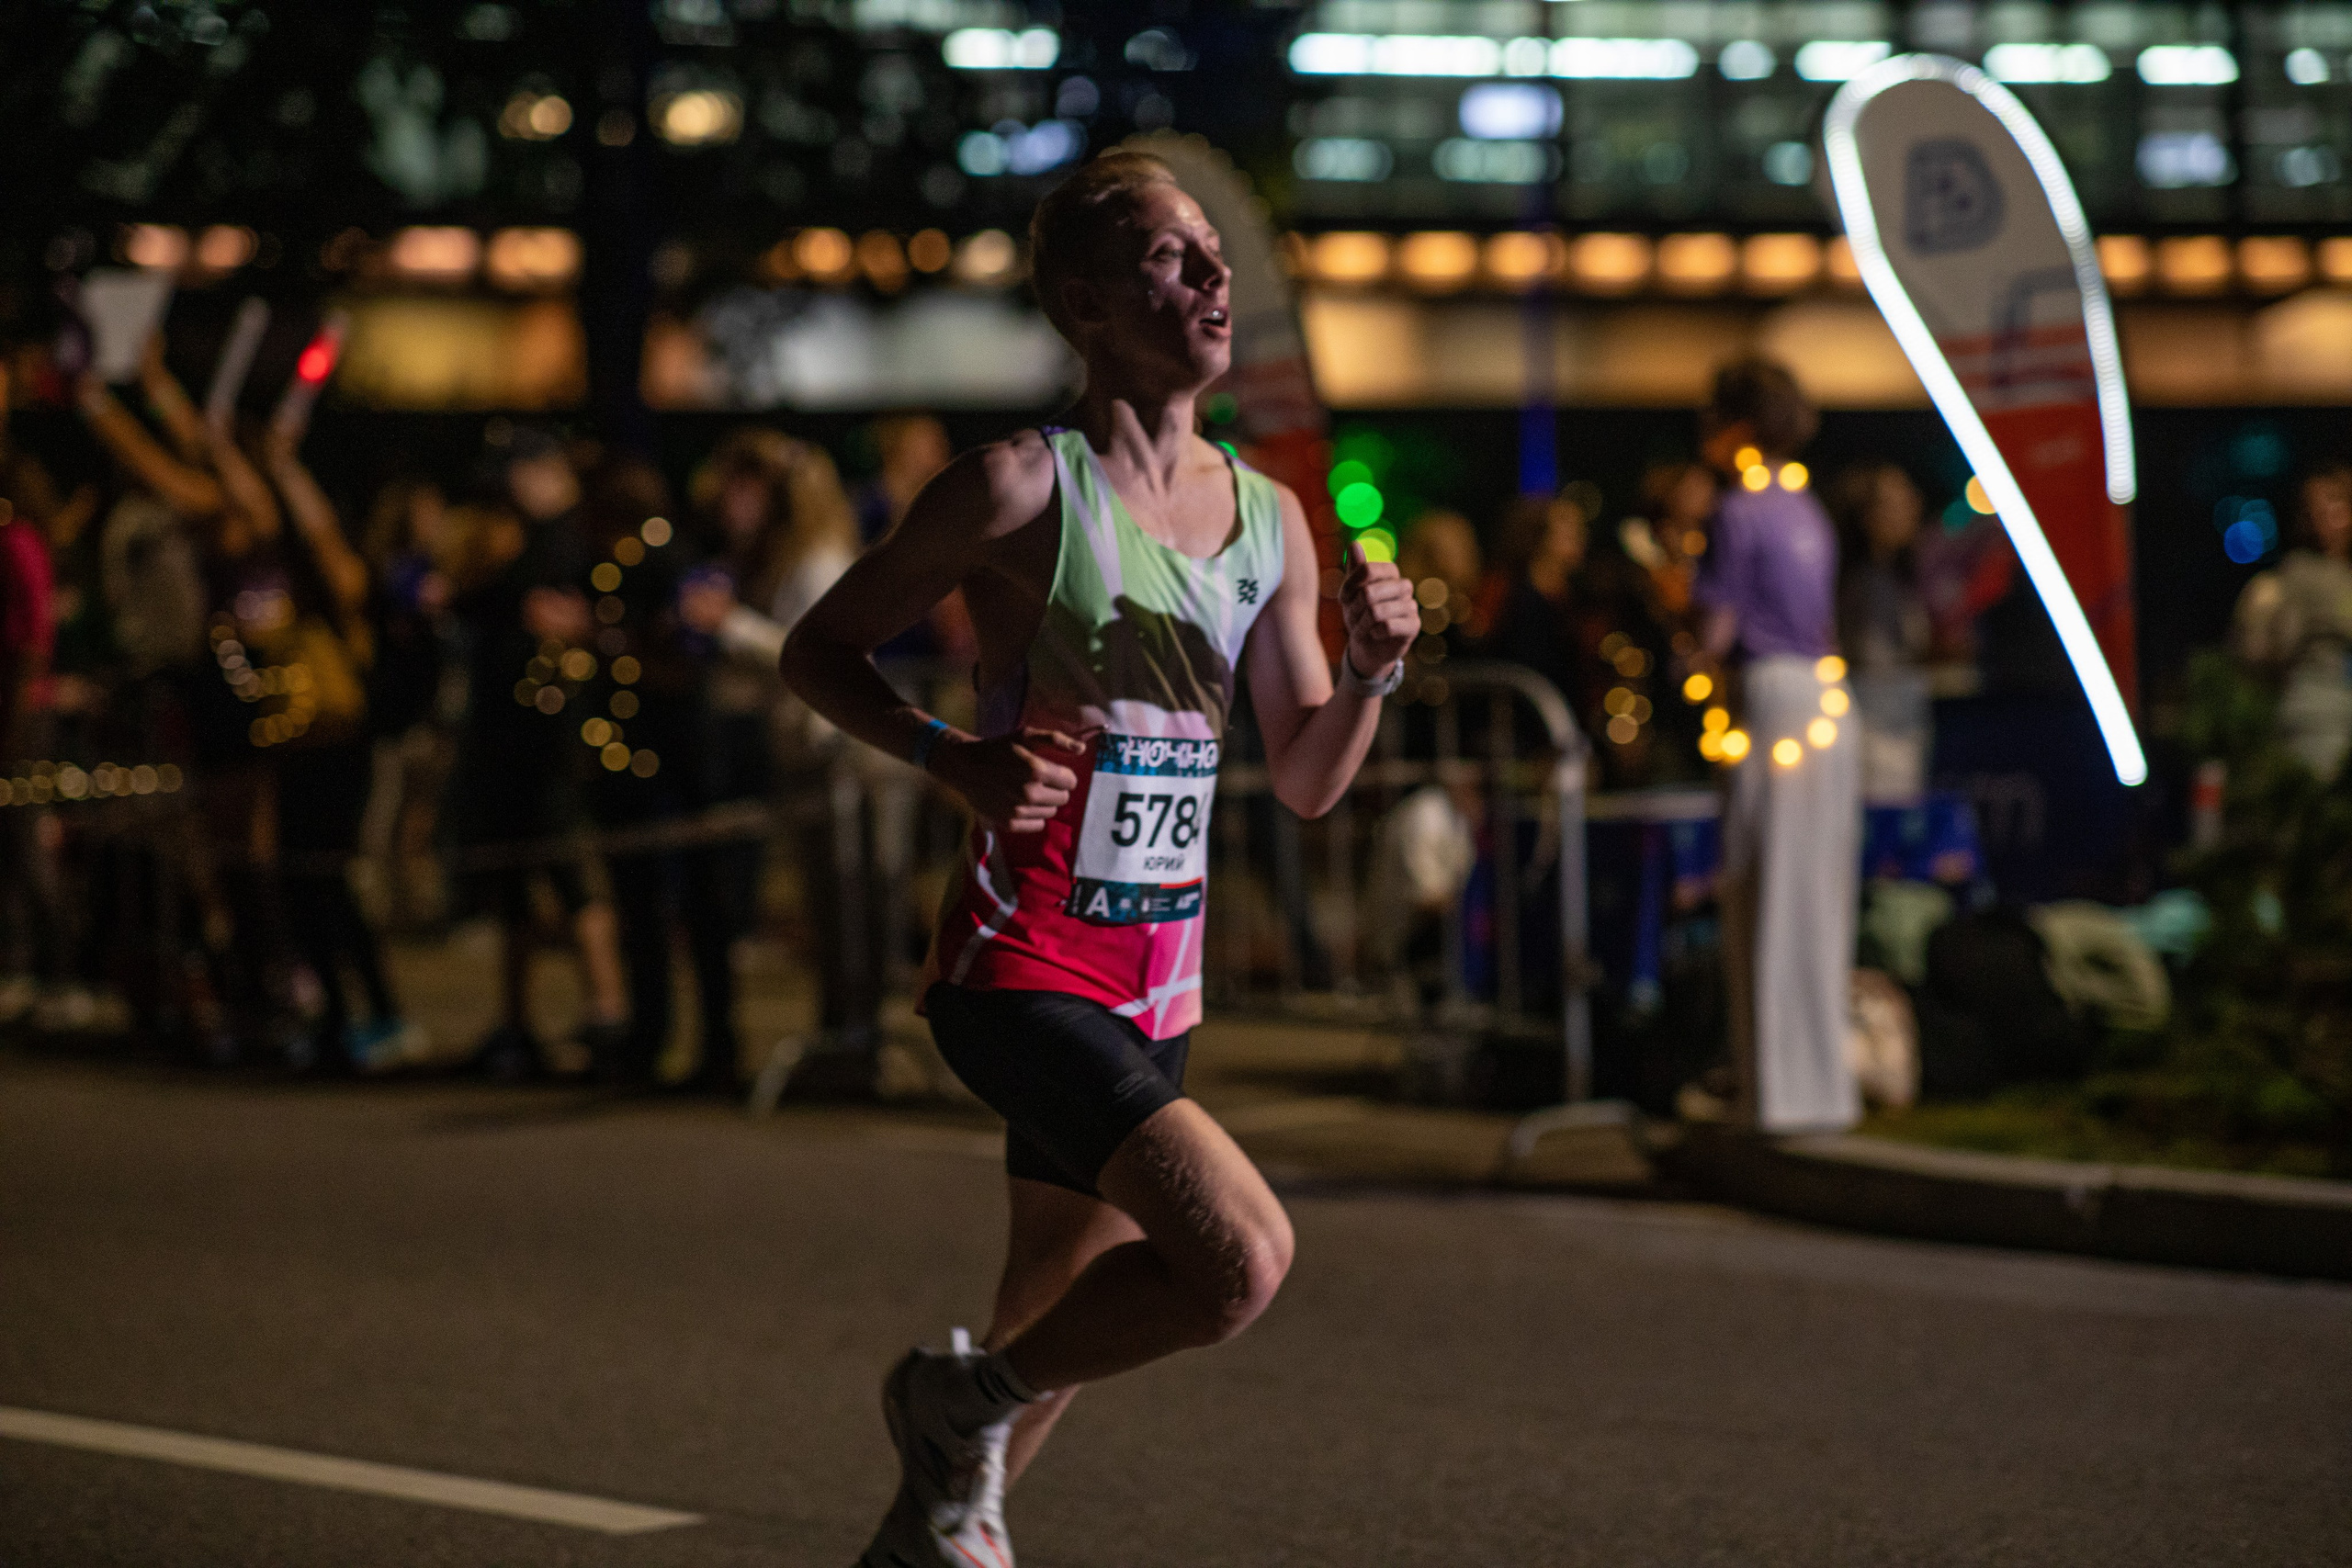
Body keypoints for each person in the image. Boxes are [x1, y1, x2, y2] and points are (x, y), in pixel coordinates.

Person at [779, 151, 1421, 1564]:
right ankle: (957, 1400)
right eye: (1171, 258)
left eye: (1215, 252)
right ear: (1085, 301)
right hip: (1021, 960)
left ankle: (932, 1515)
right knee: (1235, 1259)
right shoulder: (1017, 489)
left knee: (1050, 1311)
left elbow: (1308, 782)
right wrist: (952, 756)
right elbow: (816, 647)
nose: (1213, 277)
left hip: (1157, 980)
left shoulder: (1273, 522)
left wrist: (1369, 676)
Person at [1693, 356, 1860, 1133]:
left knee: (1763, 894)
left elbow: (1714, 632)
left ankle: (1770, 1094)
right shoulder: (1809, 509)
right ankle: (1822, 1086)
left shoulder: (1737, 510)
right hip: (1826, 701)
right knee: (1817, 899)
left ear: (1734, 423)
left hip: (1768, 700)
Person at [679, 427, 867, 1068]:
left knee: (845, 904)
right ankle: (839, 1034)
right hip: (800, 749)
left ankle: (851, 1040)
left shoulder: (816, 563)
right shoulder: (783, 559)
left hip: (831, 752)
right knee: (826, 904)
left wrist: (727, 623)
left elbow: (805, 654)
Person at [443, 426, 628, 1078]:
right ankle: (516, 1019)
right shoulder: (525, 539)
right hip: (510, 730)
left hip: (552, 732)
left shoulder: (569, 535)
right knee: (516, 875)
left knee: (568, 867)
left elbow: (514, 595)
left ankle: (607, 1009)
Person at [2233, 464, 2352, 781]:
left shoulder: (2341, 574)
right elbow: (2268, 649)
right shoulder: (2298, 574)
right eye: (2314, 510)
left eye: (2336, 507)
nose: (2325, 519)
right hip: (2319, 710)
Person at [1829, 461, 1936, 803]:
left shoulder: (1897, 574)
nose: (1911, 507)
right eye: (1896, 501)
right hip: (1874, 727)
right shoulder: (1860, 584)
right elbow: (1871, 657)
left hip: (1901, 722)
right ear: (1867, 517)